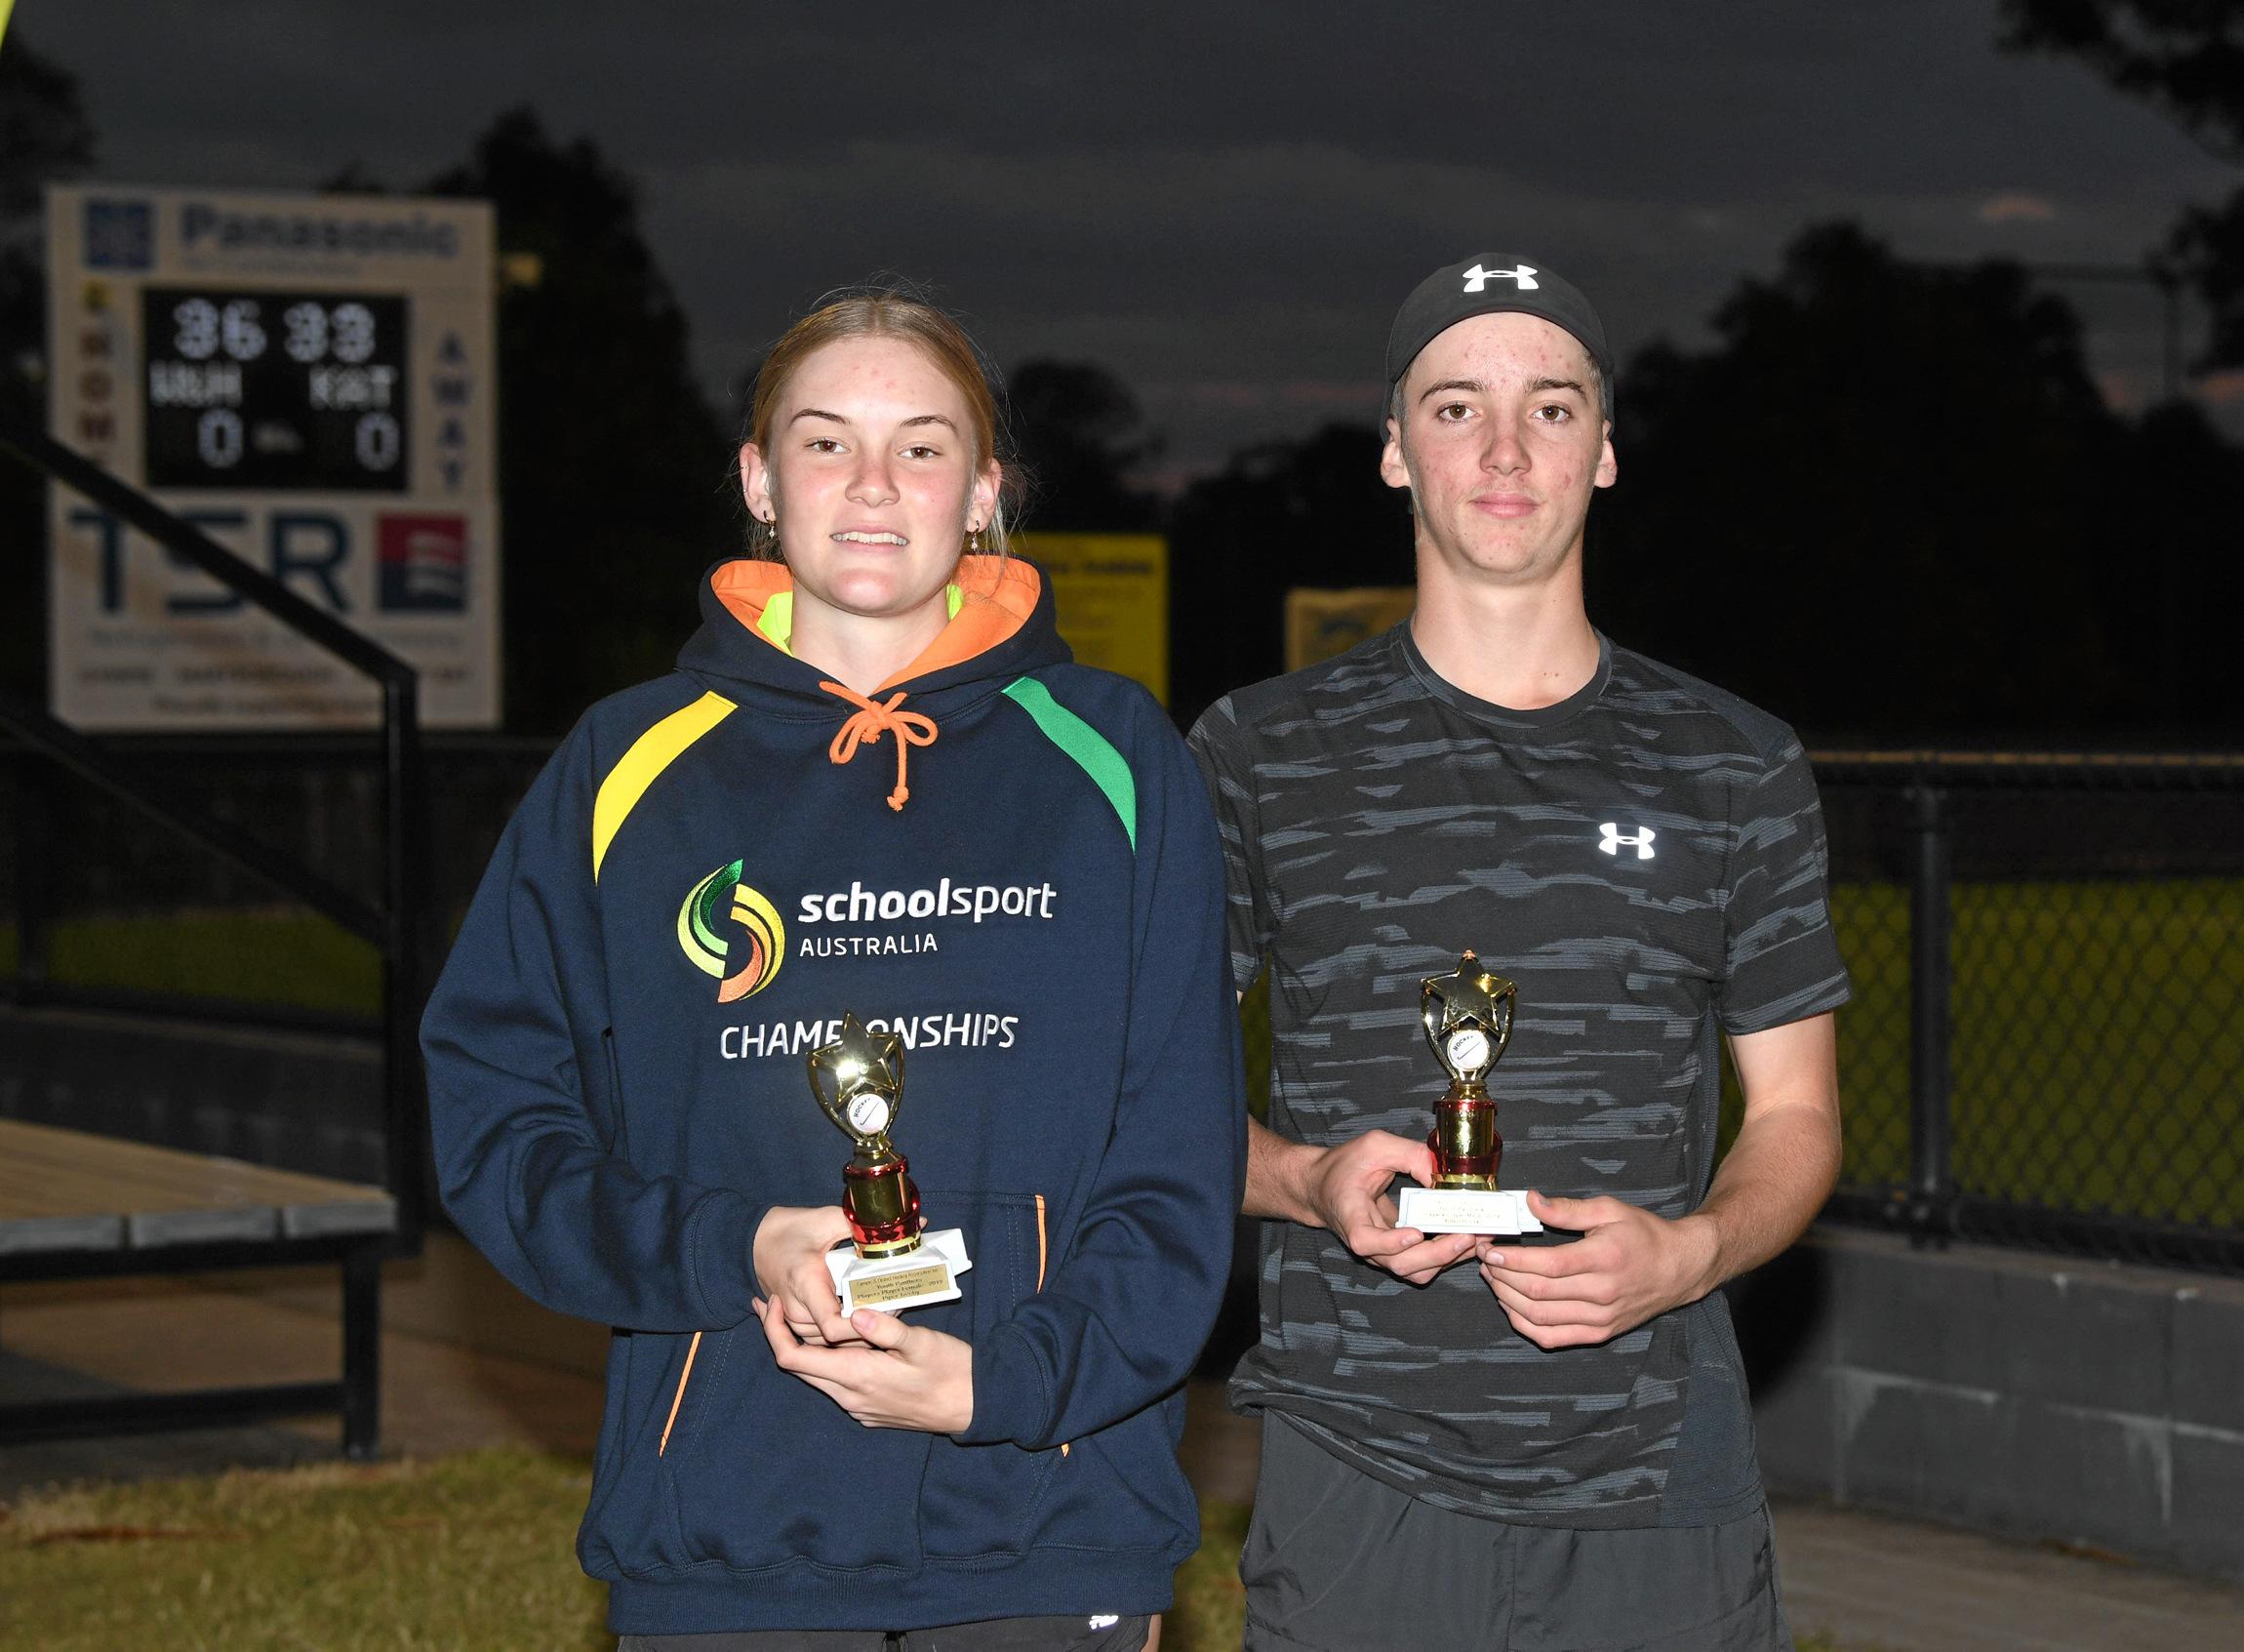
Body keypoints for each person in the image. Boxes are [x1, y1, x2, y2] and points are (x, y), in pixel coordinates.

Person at [423, 287, 1244, 1650]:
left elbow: (1174, 1153)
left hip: (1045, 1508)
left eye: (921, 447)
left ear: (984, 492)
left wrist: (1005, 1385)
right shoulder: (624, 769)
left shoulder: (1118, 760)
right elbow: (495, 1114)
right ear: (758, 479)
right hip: (726, 1525)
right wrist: (724, 1244)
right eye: (824, 442)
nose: (874, 486)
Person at [1185, 256, 1850, 1652]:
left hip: (1658, 1479)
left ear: (1602, 451)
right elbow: (1150, 1096)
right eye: (1454, 406)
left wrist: (1690, 1250)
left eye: (1549, 409)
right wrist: (1304, 1180)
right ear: (1390, 448)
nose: (1501, 450)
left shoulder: (1736, 763)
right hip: (1359, 1475)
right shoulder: (1258, 753)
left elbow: (1794, 1116)